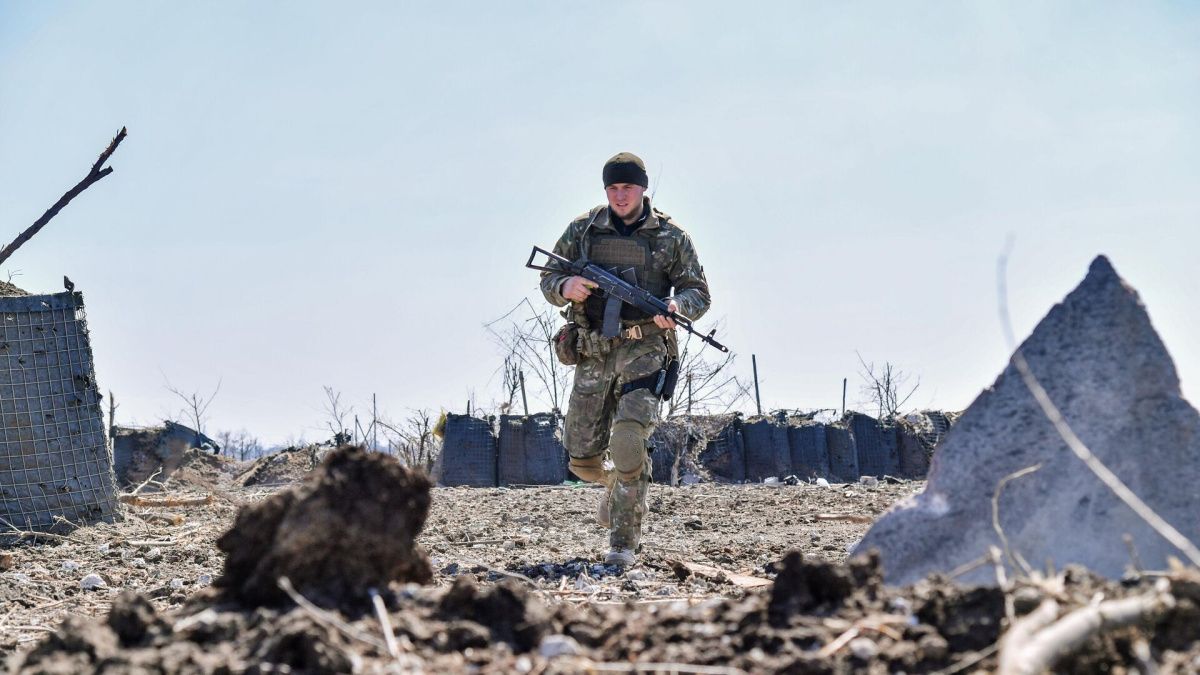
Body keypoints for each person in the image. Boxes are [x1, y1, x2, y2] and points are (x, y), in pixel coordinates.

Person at [539, 152, 712, 566]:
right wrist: (567, 286)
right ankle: (616, 484)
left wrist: (677, 307)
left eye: (628, 187)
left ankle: (622, 545)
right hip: (594, 351)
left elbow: (699, 292)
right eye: (613, 188)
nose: (620, 195)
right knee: (581, 460)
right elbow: (548, 276)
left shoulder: (671, 237)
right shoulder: (583, 229)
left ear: (642, 189)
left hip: (647, 349)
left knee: (629, 441)